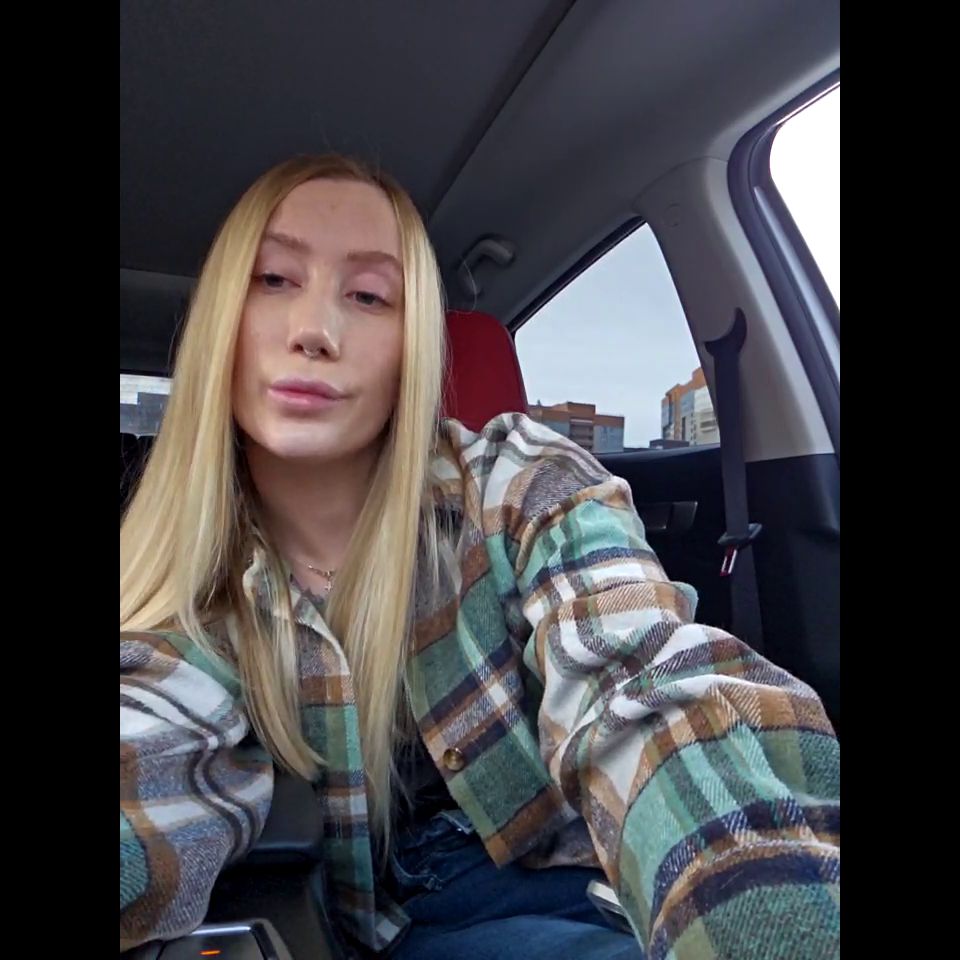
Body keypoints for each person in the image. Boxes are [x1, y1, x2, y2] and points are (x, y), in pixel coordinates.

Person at [120, 155, 840, 959]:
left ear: (413, 349)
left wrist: (768, 916)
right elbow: (144, 744)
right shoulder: (179, 563)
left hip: (578, 871)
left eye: (369, 296)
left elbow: (644, 687)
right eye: (274, 279)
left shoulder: (521, 481)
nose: (314, 331)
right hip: (369, 921)